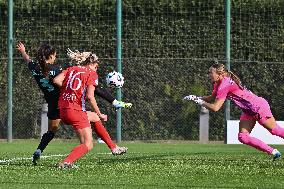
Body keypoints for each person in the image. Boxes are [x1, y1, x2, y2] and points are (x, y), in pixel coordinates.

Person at [16, 42, 131, 165]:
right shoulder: (56, 70)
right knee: (89, 138)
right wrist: (74, 90)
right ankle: (68, 161)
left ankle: (39, 150)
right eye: (54, 55)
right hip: (66, 103)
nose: (55, 57)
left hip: (53, 104)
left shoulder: (35, 67)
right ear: (50, 56)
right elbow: (79, 89)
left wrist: (23, 51)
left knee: (52, 130)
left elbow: (28, 60)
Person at [184, 62, 284, 160]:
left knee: (275, 130)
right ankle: (274, 152)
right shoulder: (218, 83)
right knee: (243, 137)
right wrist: (196, 97)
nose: (209, 74)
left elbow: (215, 107)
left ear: (219, 74)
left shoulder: (224, 85)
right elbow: (211, 98)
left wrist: (198, 101)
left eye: (211, 72)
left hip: (258, 108)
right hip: (248, 110)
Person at [54, 52, 103, 168]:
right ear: (91, 64)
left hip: (63, 109)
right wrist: (99, 113)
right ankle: (66, 162)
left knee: (85, 139)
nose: (96, 69)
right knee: (88, 144)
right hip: (76, 110)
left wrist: (69, 90)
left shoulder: (71, 69)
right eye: (96, 66)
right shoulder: (91, 73)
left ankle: (68, 161)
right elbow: (90, 97)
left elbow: (56, 80)